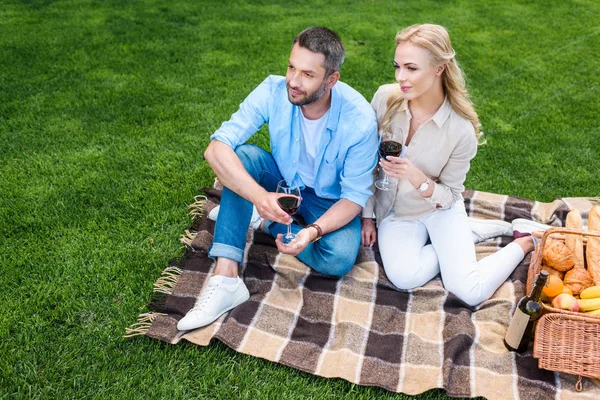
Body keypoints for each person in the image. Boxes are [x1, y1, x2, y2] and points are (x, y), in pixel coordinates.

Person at [178, 27, 378, 331]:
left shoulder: (360, 122)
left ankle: (264, 221)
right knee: (242, 157)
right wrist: (259, 196)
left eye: (308, 74)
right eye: (291, 67)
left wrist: (311, 233)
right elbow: (216, 148)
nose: (294, 81)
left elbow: (353, 198)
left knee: (337, 258)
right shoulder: (273, 90)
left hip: (329, 200)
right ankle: (226, 277)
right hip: (283, 182)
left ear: (331, 80)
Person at [360, 24, 550, 307]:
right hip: (396, 213)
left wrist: (417, 178)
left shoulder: (461, 130)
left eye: (412, 68)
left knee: (468, 290)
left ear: (438, 68)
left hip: (439, 209)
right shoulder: (385, 98)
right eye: (398, 66)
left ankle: (523, 241)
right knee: (403, 277)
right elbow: (363, 160)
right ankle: (467, 234)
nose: (401, 77)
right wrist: (367, 215)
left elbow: (449, 194)